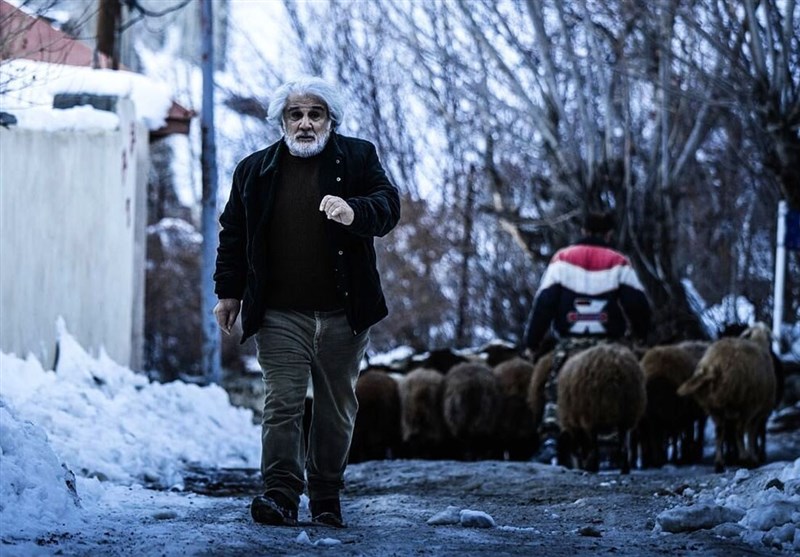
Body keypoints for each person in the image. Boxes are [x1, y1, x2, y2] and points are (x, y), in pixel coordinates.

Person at [213, 76, 400, 528]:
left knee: (336, 406)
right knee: (283, 401)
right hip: (279, 313)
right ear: (281, 121)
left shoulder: (358, 157)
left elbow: (389, 205)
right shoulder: (254, 170)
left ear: (330, 120)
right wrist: (228, 292)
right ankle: (279, 493)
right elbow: (233, 234)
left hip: (344, 312)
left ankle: (326, 497)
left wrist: (355, 212)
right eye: (295, 115)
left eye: (315, 114)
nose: (305, 123)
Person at [523, 210, 651, 461]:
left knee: (555, 385)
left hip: (571, 342)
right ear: (609, 233)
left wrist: (532, 342)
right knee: (624, 384)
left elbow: (544, 303)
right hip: (609, 344)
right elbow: (638, 304)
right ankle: (617, 440)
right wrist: (640, 334)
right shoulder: (618, 262)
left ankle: (551, 434)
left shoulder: (562, 260)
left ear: (583, 231)